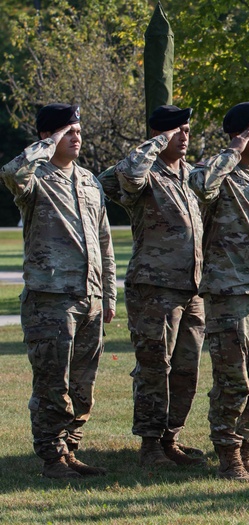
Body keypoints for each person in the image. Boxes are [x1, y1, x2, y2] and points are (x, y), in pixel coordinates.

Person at [1, 104, 116, 479]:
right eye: (67, 131)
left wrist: (108, 295)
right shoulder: (34, 178)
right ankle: (52, 457)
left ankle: (71, 450)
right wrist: (44, 147)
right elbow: (11, 172)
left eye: (78, 130)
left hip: (90, 297)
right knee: (52, 382)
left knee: (83, 383)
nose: (76, 136)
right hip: (50, 298)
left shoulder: (89, 180)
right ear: (48, 137)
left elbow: (104, 242)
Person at [100, 105, 206, 468]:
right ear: (159, 136)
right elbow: (121, 176)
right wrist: (156, 143)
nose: (184, 136)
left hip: (191, 287)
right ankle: (149, 444)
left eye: (187, 129)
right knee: (154, 366)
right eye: (177, 130)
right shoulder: (146, 175)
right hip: (154, 286)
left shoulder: (190, 175)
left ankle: (170, 438)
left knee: (186, 368)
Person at [192, 102, 249, 482]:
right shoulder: (214, 171)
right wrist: (232, 151)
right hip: (230, 290)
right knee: (233, 379)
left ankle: (248, 451)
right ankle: (228, 455)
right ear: (239, 133)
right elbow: (200, 188)